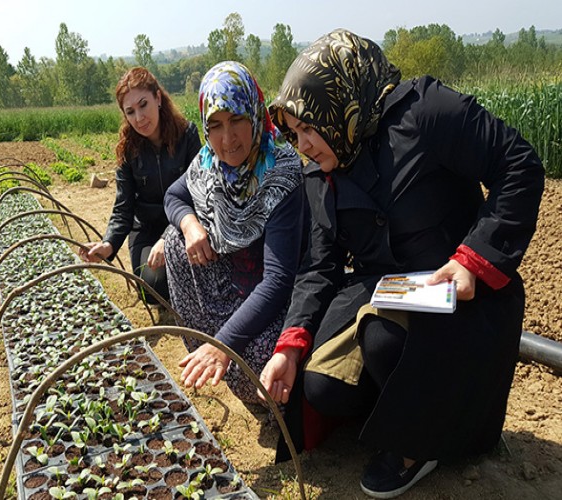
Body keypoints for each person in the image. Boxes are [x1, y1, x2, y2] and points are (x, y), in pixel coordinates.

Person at [259, 29, 544, 498]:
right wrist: (289, 346)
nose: (303, 145)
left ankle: (423, 443)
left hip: (462, 295)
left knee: (385, 342)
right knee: (322, 386)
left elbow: (518, 164)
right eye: (293, 134)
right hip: (385, 292)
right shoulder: (323, 167)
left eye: (309, 128)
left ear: (342, 105)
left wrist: (472, 258)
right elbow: (320, 266)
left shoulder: (426, 112)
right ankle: (399, 410)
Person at [162, 61, 307, 404]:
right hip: (233, 287)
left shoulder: (280, 173)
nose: (227, 139)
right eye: (215, 125)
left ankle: (225, 357)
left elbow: (277, 281)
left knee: (256, 367)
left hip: (278, 301)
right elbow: (174, 196)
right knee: (174, 241)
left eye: (237, 120)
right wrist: (190, 223)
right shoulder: (207, 163)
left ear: (255, 114)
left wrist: (225, 344)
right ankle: (213, 354)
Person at [79, 67, 201, 304]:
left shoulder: (186, 135)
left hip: (182, 227)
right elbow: (123, 206)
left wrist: (170, 238)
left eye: (143, 104)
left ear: (157, 97)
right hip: (145, 230)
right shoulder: (128, 150)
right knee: (153, 287)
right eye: (130, 111)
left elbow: (199, 195)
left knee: (195, 273)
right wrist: (108, 244)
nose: (139, 118)